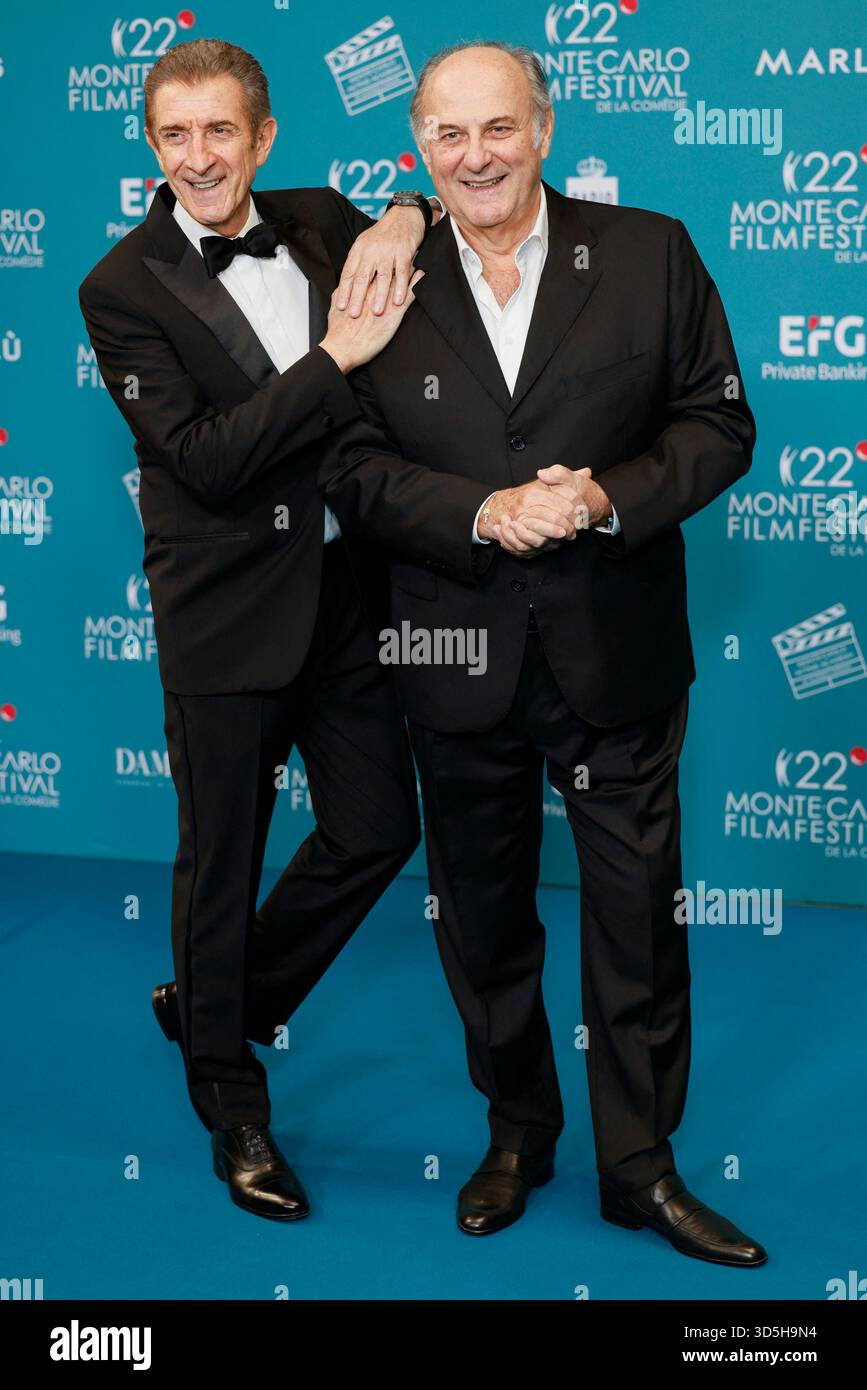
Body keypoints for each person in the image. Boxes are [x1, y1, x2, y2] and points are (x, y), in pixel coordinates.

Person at [319, 40, 767, 1265]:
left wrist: (602, 496)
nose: (477, 157)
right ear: (421, 148)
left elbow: (720, 423)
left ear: (546, 127)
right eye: (449, 137)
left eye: (499, 128)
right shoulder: (377, 280)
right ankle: (518, 1131)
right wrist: (478, 511)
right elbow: (349, 466)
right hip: (451, 645)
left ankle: (642, 1166)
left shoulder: (648, 253)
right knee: (482, 919)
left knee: (636, 918)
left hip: (612, 649)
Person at [78, 37, 439, 1222]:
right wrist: (339, 355)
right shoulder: (120, 286)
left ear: (263, 137)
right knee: (219, 860)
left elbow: (425, 207)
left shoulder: (319, 218)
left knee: (378, 826)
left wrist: (398, 209)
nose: (198, 159)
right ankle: (232, 1104)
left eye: (219, 132)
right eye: (174, 135)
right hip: (225, 609)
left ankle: (214, 1003)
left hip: (344, 597)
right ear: (152, 143)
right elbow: (206, 460)